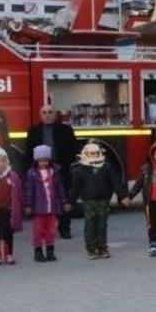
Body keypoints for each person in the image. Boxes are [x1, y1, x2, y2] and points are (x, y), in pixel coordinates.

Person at [69, 142, 129, 259]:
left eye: (97, 153)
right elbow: (74, 188)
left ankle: (102, 248)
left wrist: (122, 196)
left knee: (102, 226)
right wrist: (71, 202)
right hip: (89, 202)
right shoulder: (80, 169)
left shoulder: (106, 167)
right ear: (86, 154)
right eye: (92, 153)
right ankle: (91, 249)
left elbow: (115, 182)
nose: (95, 155)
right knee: (90, 226)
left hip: (103, 201)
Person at [26, 105, 78, 239]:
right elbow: (28, 152)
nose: (47, 115)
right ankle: (44, 229)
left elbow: (74, 149)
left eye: (50, 112)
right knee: (42, 201)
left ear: (55, 115)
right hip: (41, 171)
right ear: (40, 115)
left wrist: (63, 165)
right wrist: (33, 169)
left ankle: (64, 229)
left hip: (60, 169)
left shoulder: (66, 130)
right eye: (44, 112)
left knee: (63, 199)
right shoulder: (33, 131)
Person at [25, 145, 70, 263]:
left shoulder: (54, 172)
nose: (43, 163)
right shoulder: (32, 174)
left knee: (51, 231)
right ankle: (38, 252)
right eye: (40, 160)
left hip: (52, 208)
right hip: (38, 209)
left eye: (45, 160)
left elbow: (60, 188)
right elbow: (29, 191)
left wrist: (64, 202)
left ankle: (50, 252)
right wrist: (29, 205)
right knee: (38, 231)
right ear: (36, 161)